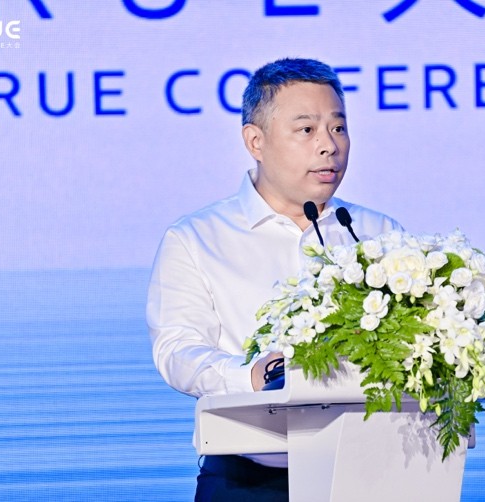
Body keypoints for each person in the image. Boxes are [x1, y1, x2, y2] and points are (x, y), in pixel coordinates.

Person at [146, 57, 402, 501]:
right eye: (306, 129)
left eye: (338, 128)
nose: (329, 146)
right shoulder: (197, 238)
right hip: (247, 480)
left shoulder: (378, 233)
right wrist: (250, 375)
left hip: (371, 470)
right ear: (255, 141)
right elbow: (177, 351)